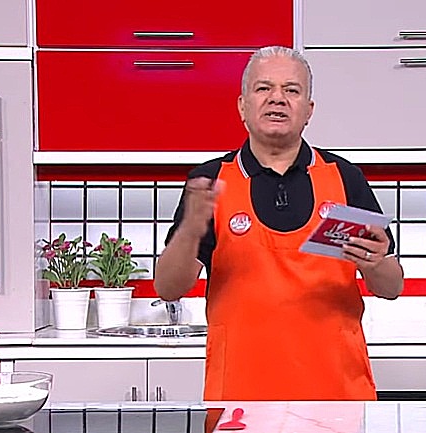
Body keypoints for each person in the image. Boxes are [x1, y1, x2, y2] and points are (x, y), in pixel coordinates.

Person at [154, 46, 404, 401]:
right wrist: (190, 232)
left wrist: (375, 263)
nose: (277, 98)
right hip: (240, 399)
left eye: (292, 90)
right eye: (263, 88)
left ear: (309, 110)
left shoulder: (343, 178)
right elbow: (168, 288)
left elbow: (391, 287)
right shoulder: (212, 183)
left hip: (337, 396)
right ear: (242, 106)